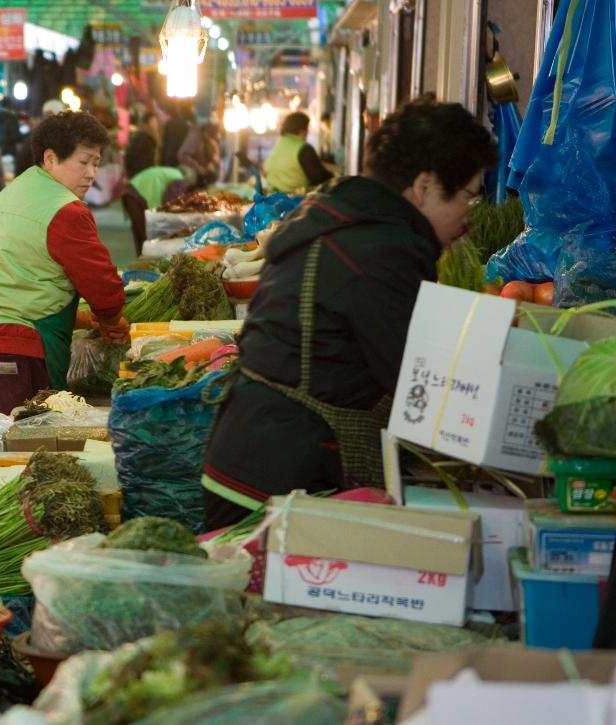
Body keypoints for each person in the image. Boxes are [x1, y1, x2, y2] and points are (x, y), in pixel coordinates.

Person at [201, 99, 499, 529]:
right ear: (425, 185)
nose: (468, 217)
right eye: (468, 196)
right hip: (274, 483)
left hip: (249, 455)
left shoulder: (343, 217)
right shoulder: (382, 249)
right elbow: (417, 381)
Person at [0, 110, 129, 424]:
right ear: (50, 159)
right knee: (30, 455)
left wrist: (83, 319)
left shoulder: (13, 194)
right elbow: (103, 287)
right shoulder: (65, 211)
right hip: (16, 353)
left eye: (96, 163)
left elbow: (17, 280)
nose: (91, 173)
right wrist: (111, 321)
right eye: (83, 161)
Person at [263, 111, 336, 193]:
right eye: (307, 129)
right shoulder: (303, 148)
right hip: (295, 201)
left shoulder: (278, 146)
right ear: (302, 130)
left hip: (273, 199)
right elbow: (321, 178)